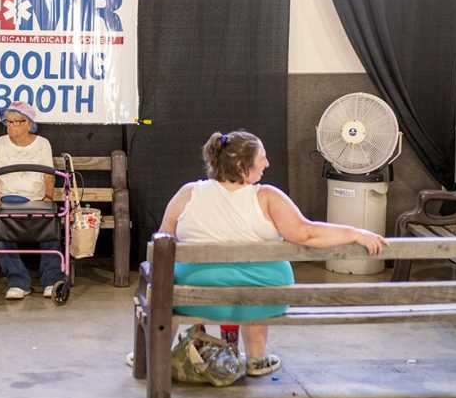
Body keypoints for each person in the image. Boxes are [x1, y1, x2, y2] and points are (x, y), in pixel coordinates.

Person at [153, 130, 386, 376]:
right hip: (262, 298)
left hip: (196, 299)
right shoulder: (267, 197)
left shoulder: (188, 194)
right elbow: (306, 233)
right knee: (257, 279)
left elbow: (162, 241)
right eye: (262, 157)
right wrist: (356, 233)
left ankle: (154, 354)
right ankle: (257, 358)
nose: (267, 163)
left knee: (166, 283)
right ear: (243, 166)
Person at [0, 101, 65, 300]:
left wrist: (48, 197)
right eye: (8, 122)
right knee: (0, 226)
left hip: (36, 199)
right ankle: (17, 281)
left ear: (29, 123)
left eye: (17, 121)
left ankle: (51, 279)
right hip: (7, 200)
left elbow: (49, 174)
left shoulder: (42, 144)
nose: (11, 125)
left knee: (50, 224)